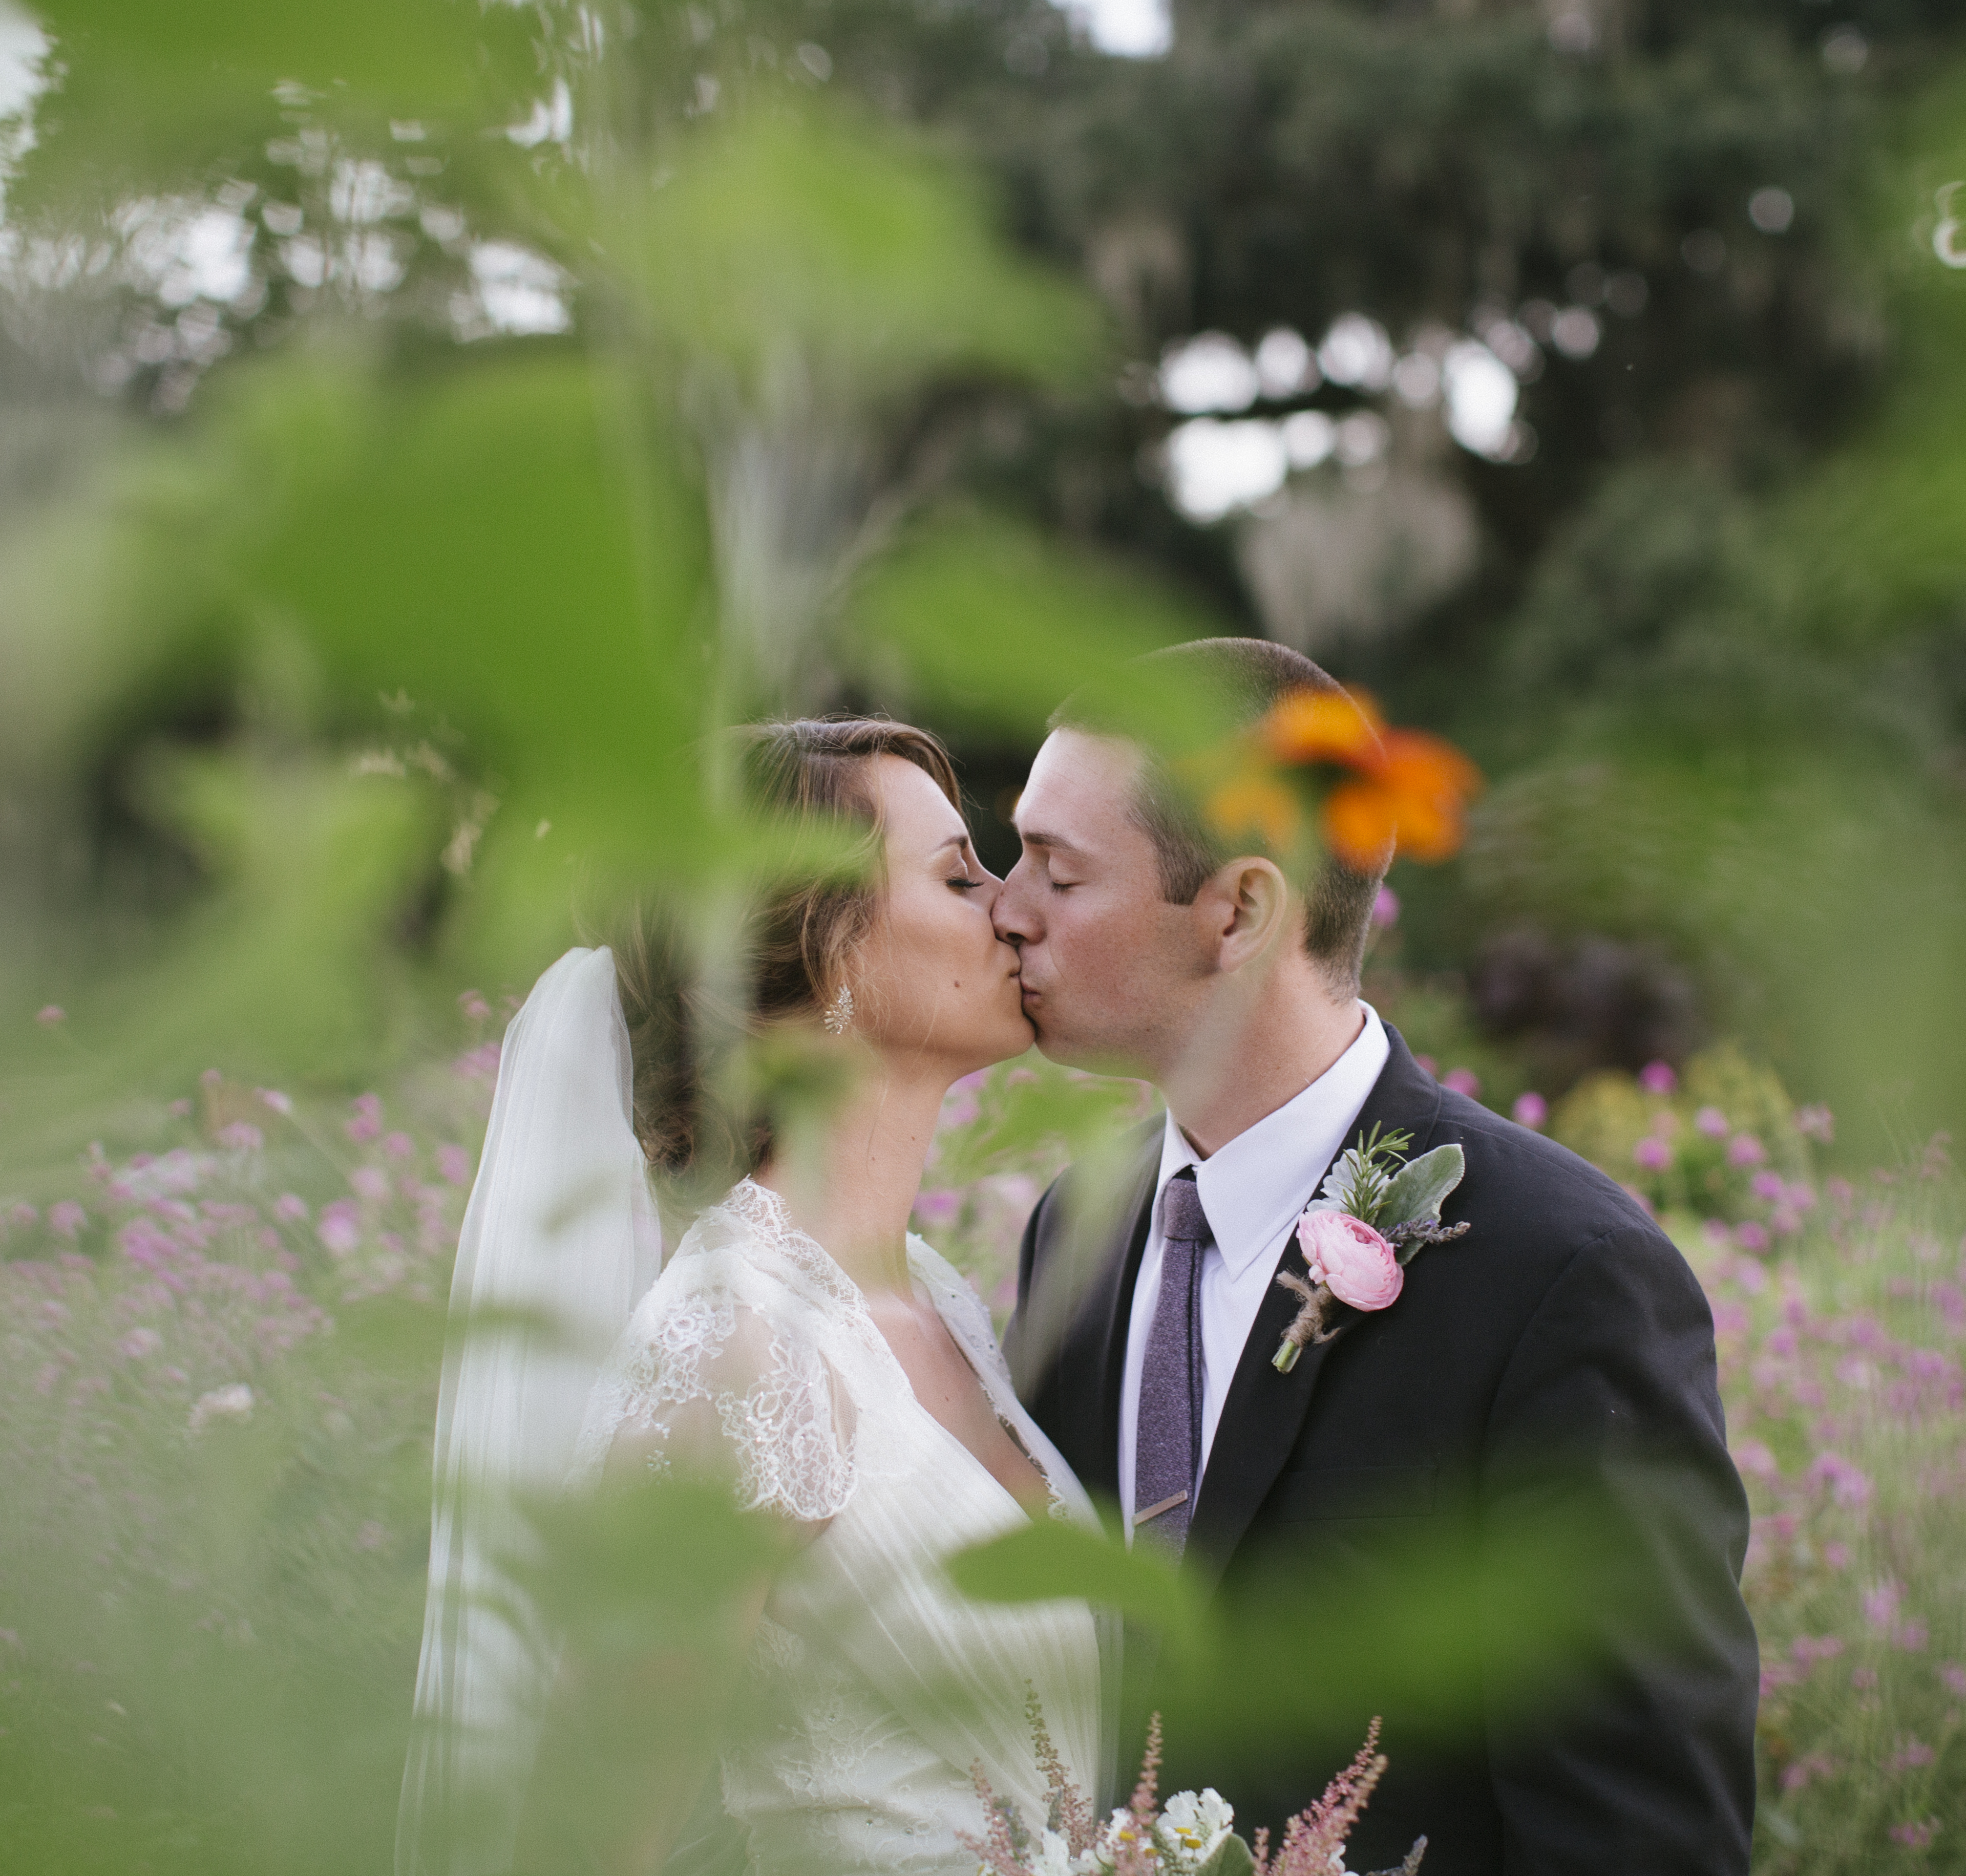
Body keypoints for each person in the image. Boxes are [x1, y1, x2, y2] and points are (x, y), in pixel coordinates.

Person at [996, 640, 1758, 1876]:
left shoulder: (1563, 1276)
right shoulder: (1075, 1229)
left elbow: (1637, 1829)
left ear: (1240, 911)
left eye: (1057, 872)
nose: (1006, 908)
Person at [402, 718, 1104, 1876]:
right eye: (956, 874)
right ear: (830, 951)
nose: (1012, 907)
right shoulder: (738, 1349)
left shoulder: (938, 1307)